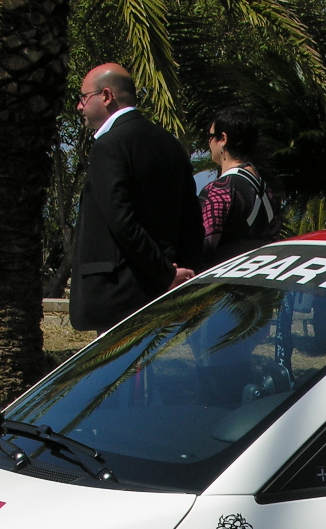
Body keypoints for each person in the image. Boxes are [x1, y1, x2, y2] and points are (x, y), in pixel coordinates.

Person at [69, 63, 203, 333]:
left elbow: (121, 221)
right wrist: (184, 274)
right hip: (165, 293)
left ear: (106, 96)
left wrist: (164, 273)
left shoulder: (108, 146)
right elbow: (191, 219)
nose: (79, 107)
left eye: (83, 97)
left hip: (119, 294)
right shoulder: (171, 145)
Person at [199, 107, 280, 264]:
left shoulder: (220, 190)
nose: (209, 142)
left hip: (220, 276)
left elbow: (202, 248)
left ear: (223, 138)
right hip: (257, 275)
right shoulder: (269, 194)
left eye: (210, 136)